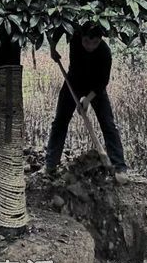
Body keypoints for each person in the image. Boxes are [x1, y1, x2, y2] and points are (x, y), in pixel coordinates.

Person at [45, 22, 128, 182]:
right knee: (60, 122)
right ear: (80, 37)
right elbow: (58, 28)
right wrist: (52, 49)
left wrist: (87, 100)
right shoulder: (75, 36)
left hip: (95, 88)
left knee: (108, 124)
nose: (90, 46)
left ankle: (119, 167)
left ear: (100, 40)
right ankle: (50, 165)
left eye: (95, 42)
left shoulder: (104, 53)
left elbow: (102, 82)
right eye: (86, 42)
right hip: (73, 83)